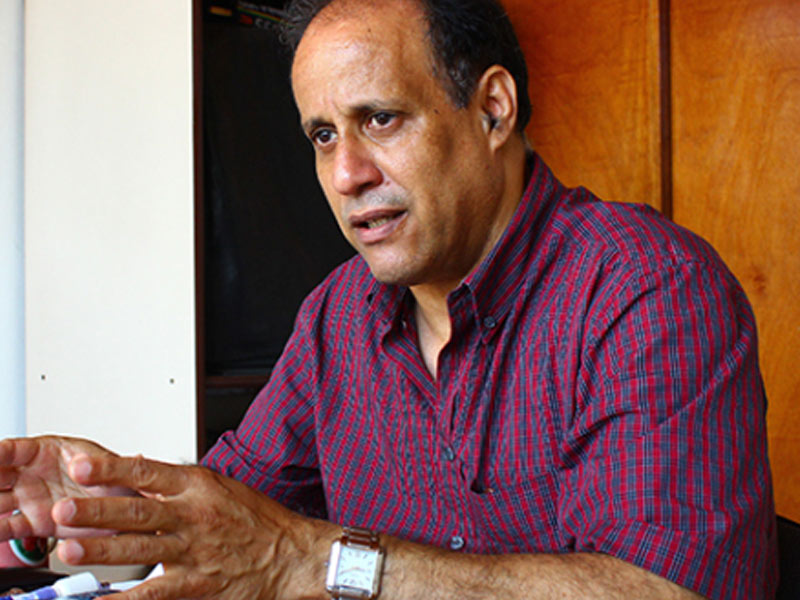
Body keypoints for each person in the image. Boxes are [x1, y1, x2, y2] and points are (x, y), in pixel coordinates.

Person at [0, 0, 777, 598]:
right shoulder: (336, 316)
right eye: (323, 137)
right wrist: (105, 506)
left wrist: (314, 561)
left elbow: (672, 591)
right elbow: (237, 521)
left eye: (379, 119)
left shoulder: (645, 287)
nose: (347, 175)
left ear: (492, 109)